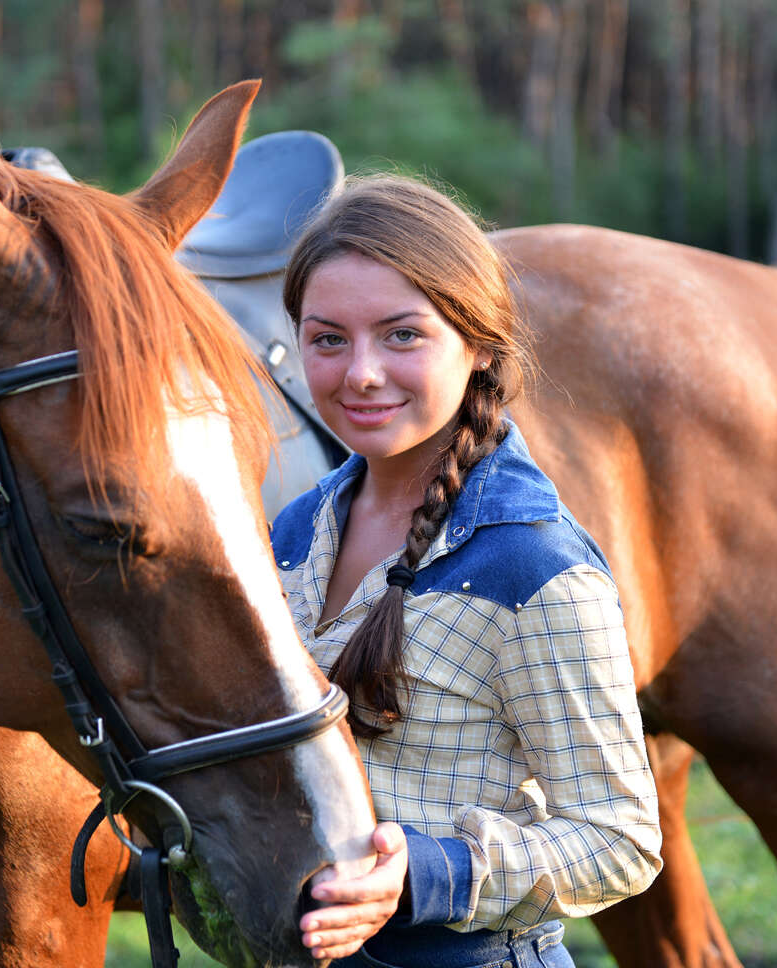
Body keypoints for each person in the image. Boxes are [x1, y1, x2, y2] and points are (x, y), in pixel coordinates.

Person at [269, 176, 662, 966]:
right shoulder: (291, 535)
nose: (362, 374)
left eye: (402, 335)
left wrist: (426, 872)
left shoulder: (529, 566)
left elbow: (621, 838)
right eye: (329, 339)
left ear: (480, 343)